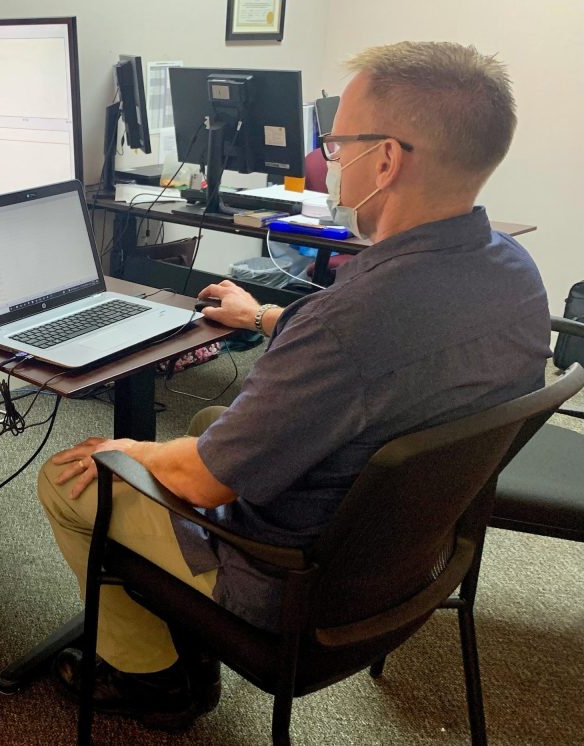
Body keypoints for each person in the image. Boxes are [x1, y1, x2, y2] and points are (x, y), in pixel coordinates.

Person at [38, 41, 552, 730]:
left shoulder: (348, 327)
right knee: (210, 418)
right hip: (408, 566)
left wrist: (129, 450)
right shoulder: (515, 275)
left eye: (338, 143)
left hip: (287, 586)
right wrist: (267, 317)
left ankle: (154, 680)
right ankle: (172, 633)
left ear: (388, 160)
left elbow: (200, 482)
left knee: (71, 472)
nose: (332, 161)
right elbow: (384, 351)